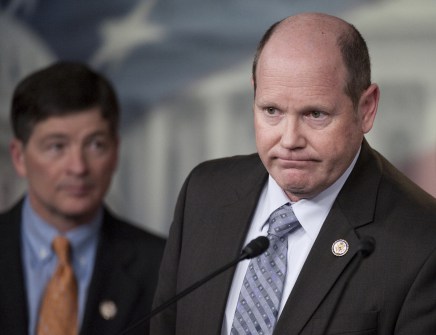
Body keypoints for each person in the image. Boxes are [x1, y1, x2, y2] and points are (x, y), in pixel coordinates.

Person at [151, 12, 436, 335]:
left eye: (315, 114)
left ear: (366, 108)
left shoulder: (425, 244)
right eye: (271, 111)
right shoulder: (204, 193)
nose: (289, 140)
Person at [0, 61, 165, 335]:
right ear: (19, 157)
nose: (78, 167)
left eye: (95, 144)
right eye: (57, 147)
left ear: (115, 151)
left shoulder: (162, 268)